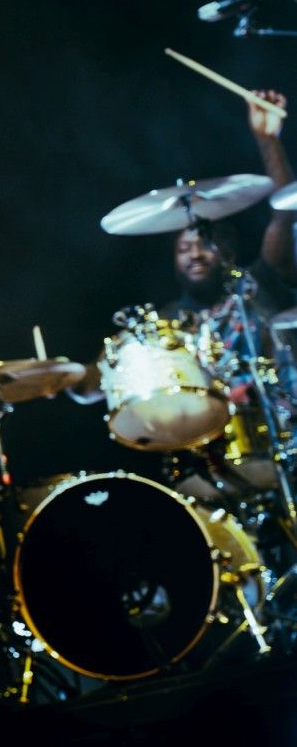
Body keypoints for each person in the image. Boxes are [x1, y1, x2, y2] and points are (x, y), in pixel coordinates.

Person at [71, 90, 297, 500]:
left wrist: (267, 139)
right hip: (219, 461)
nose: (194, 253)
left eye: (204, 243)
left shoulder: (257, 282)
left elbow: (286, 211)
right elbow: (93, 383)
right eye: (183, 248)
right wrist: (59, 377)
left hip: (288, 435)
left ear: (228, 250)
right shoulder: (167, 323)